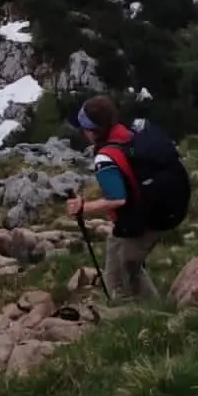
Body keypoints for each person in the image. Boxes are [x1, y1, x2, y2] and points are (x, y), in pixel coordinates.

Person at [67, 94, 161, 303]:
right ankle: (155, 310)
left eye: (85, 128)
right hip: (154, 211)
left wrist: (84, 207)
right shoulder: (126, 135)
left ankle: (131, 318)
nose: (84, 133)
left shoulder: (105, 157)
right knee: (132, 268)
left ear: (94, 130)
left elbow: (118, 199)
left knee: (118, 279)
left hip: (133, 221)